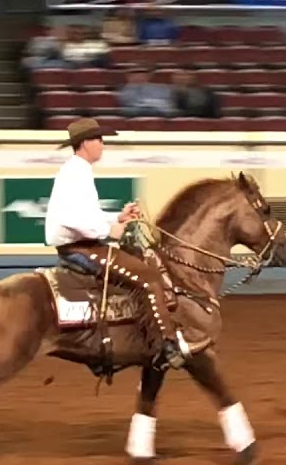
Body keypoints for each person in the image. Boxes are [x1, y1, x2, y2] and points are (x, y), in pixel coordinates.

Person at [45, 118, 191, 370]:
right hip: (83, 249)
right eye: (99, 140)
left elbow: (85, 216)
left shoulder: (77, 171)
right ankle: (165, 345)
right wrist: (110, 230)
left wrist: (117, 219)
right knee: (148, 277)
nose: (103, 145)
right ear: (85, 143)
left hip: (86, 245)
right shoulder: (75, 173)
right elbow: (73, 220)